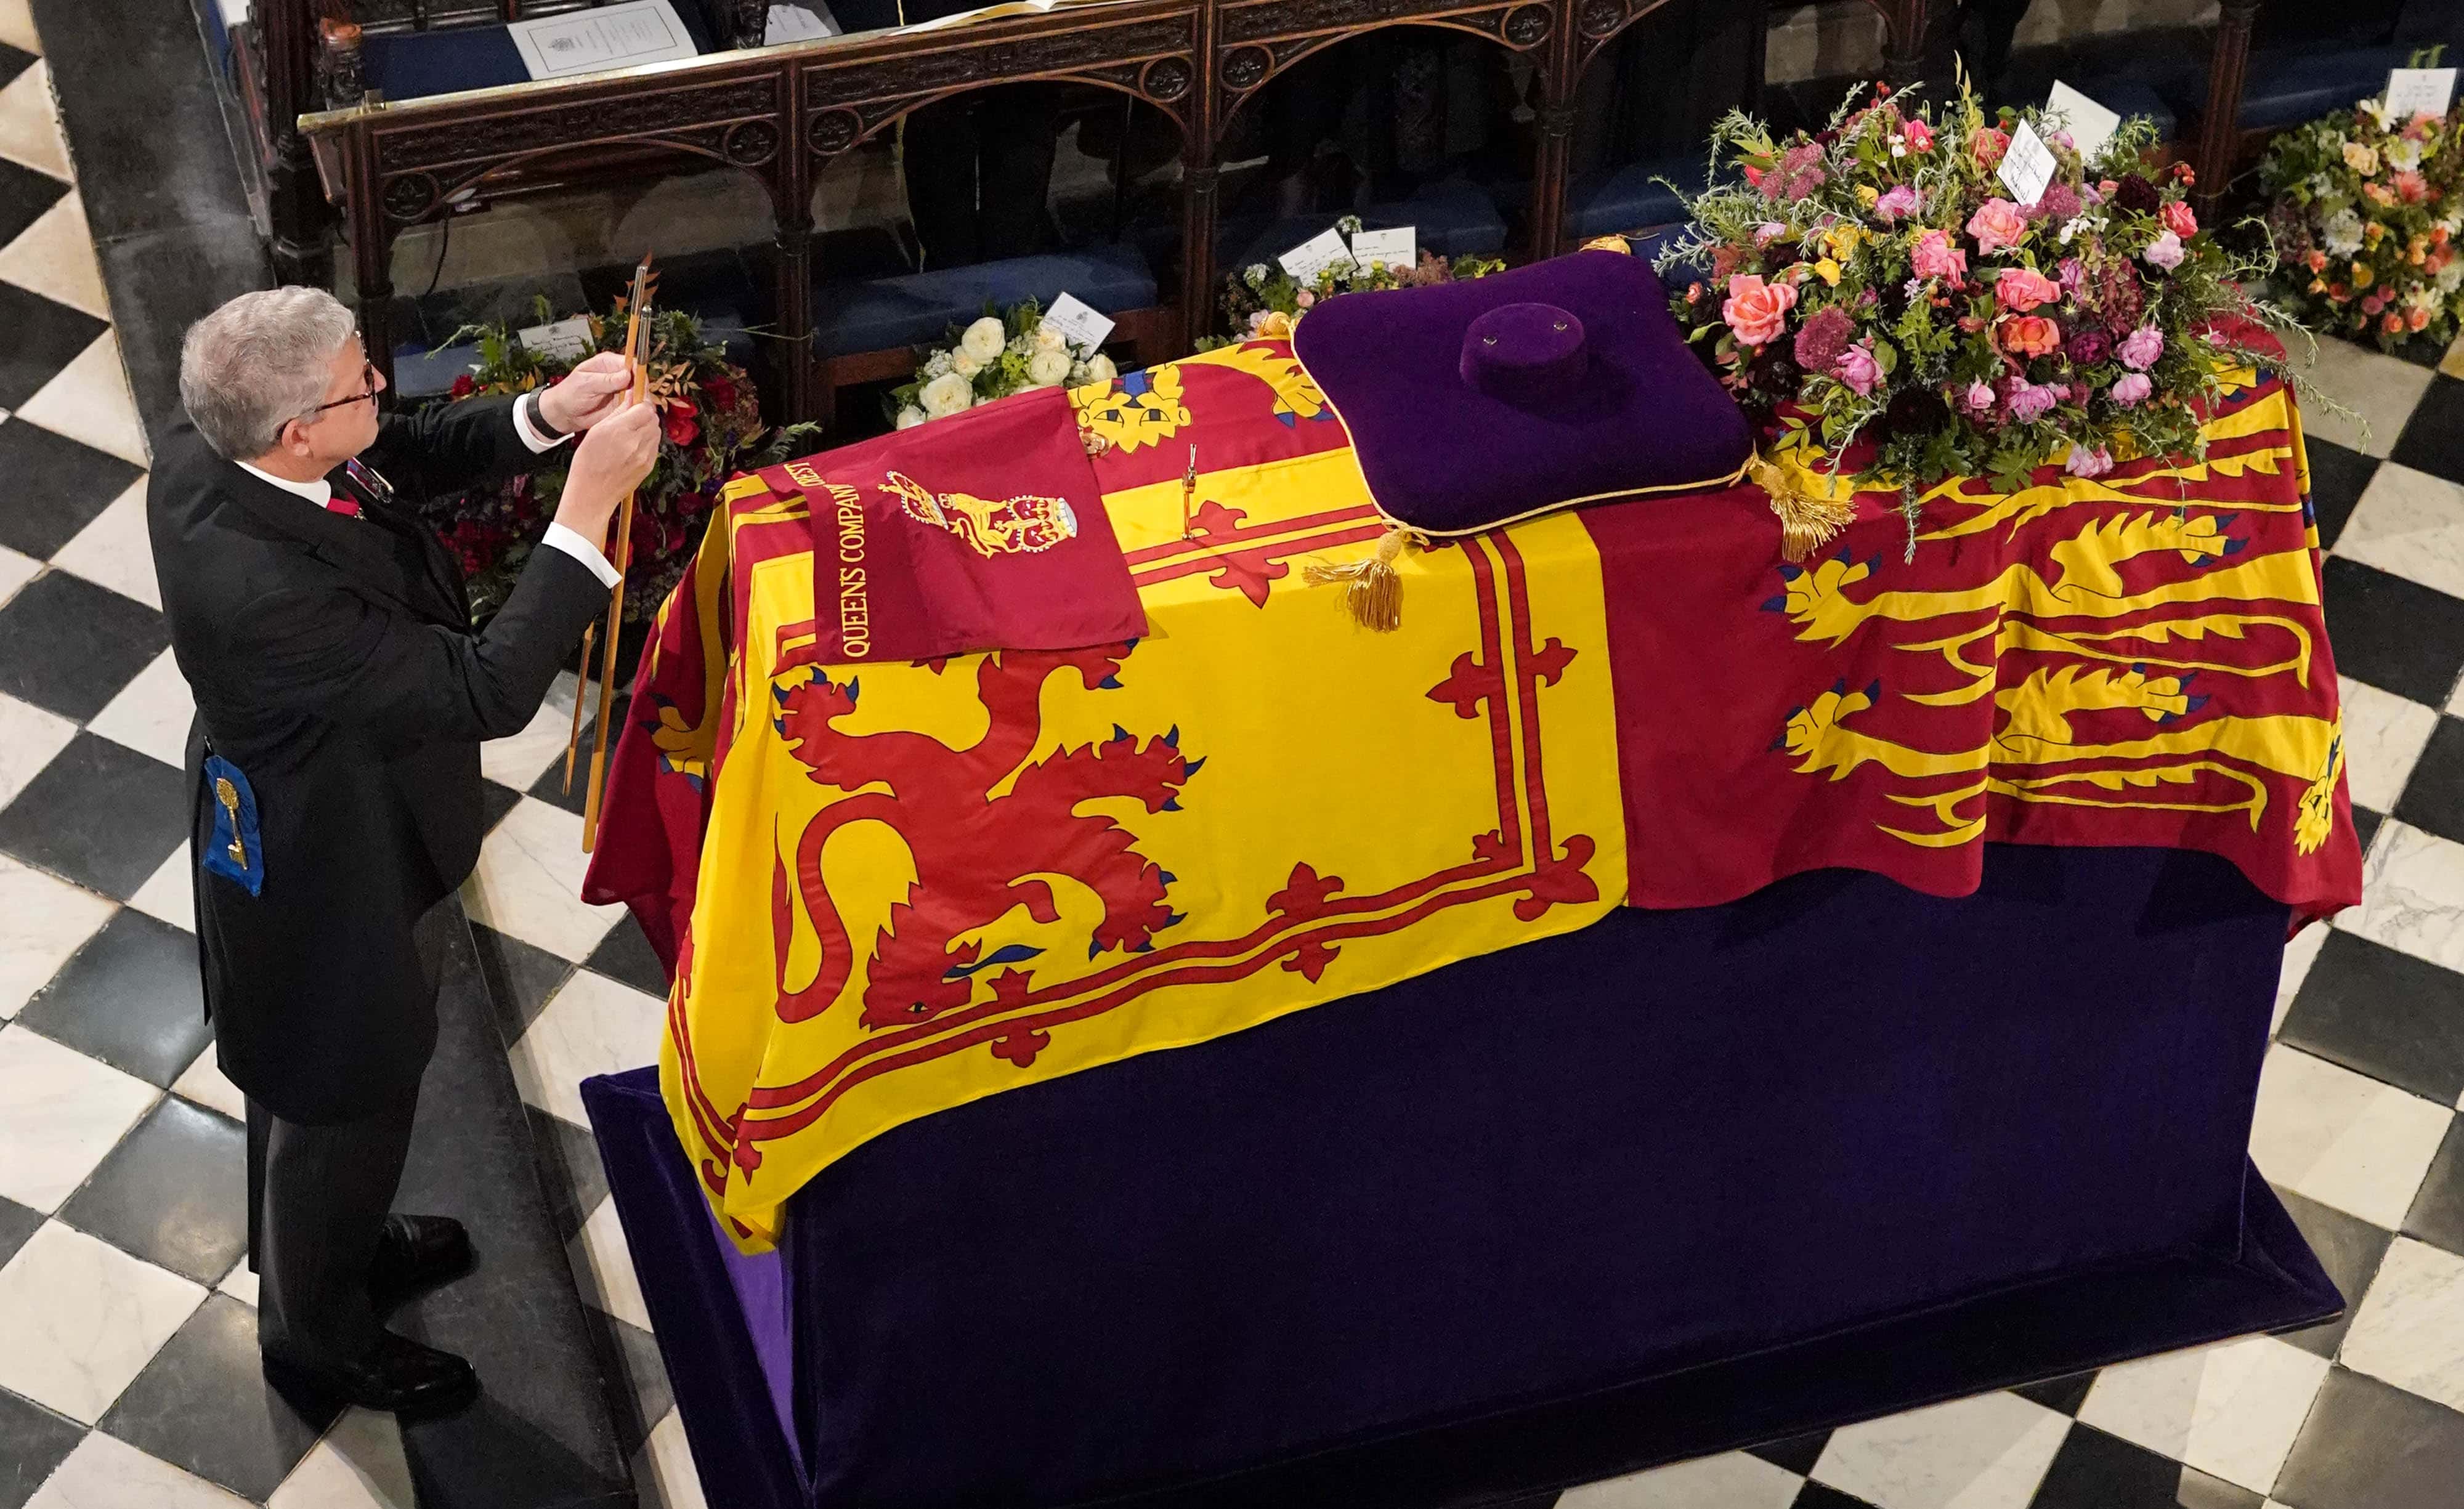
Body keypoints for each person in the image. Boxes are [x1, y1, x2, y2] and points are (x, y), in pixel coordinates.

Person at [148, 286, 661, 1414]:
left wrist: (546, 419)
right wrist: (584, 512)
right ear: (294, 432)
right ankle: (318, 1335)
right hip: (326, 856)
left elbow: (391, 461)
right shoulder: (258, 589)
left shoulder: (223, 445)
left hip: (355, 796)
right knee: (343, 1077)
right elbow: (485, 690)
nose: (382, 387)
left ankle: (331, 1249)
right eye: (360, 382)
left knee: (342, 1085)